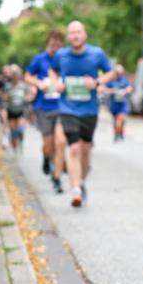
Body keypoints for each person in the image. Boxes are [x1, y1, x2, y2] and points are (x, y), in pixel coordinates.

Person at [50, 20, 115, 208]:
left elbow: (110, 73)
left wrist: (96, 83)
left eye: (78, 32)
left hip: (89, 110)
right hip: (68, 108)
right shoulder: (61, 55)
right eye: (71, 33)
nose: (75, 36)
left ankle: (81, 181)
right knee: (75, 148)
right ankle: (75, 189)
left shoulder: (96, 54)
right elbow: (52, 71)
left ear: (84, 34)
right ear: (68, 37)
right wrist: (57, 84)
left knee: (85, 151)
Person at [25, 30, 66, 193]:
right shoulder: (39, 59)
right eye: (52, 44)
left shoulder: (65, 59)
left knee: (60, 142)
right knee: (48, 144)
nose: (54, 48)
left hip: (62, 107)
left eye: (57, 45)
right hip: (43, 107)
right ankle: (46, 157)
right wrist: (38, 83)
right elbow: (27, 76)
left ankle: (57, 179)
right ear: (47, 44)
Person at [3, 65, 31, 152]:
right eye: (13, 74)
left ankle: (21, 140)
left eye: (17, 74)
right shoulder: (8, 86)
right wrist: (9, 96)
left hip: (21, 110)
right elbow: (4, 98)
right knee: (13, 131)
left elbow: (29, 95)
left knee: (20, 129)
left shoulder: (24, 86)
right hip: (11, 109)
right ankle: (14, 146)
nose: (15, 76)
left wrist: (25, 98)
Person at [102, 64, 132, 141]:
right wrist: (112, 91)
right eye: (117, 73)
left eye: (121, 73)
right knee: (115, 120)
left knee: (121, 118)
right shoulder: (111, 81)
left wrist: (125, 91)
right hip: (113, 103)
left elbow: (129, 88)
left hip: (122, 103)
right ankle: (116, 133)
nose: (119, 74)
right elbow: (103, 89)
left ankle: (120, 132)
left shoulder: (124, 80)